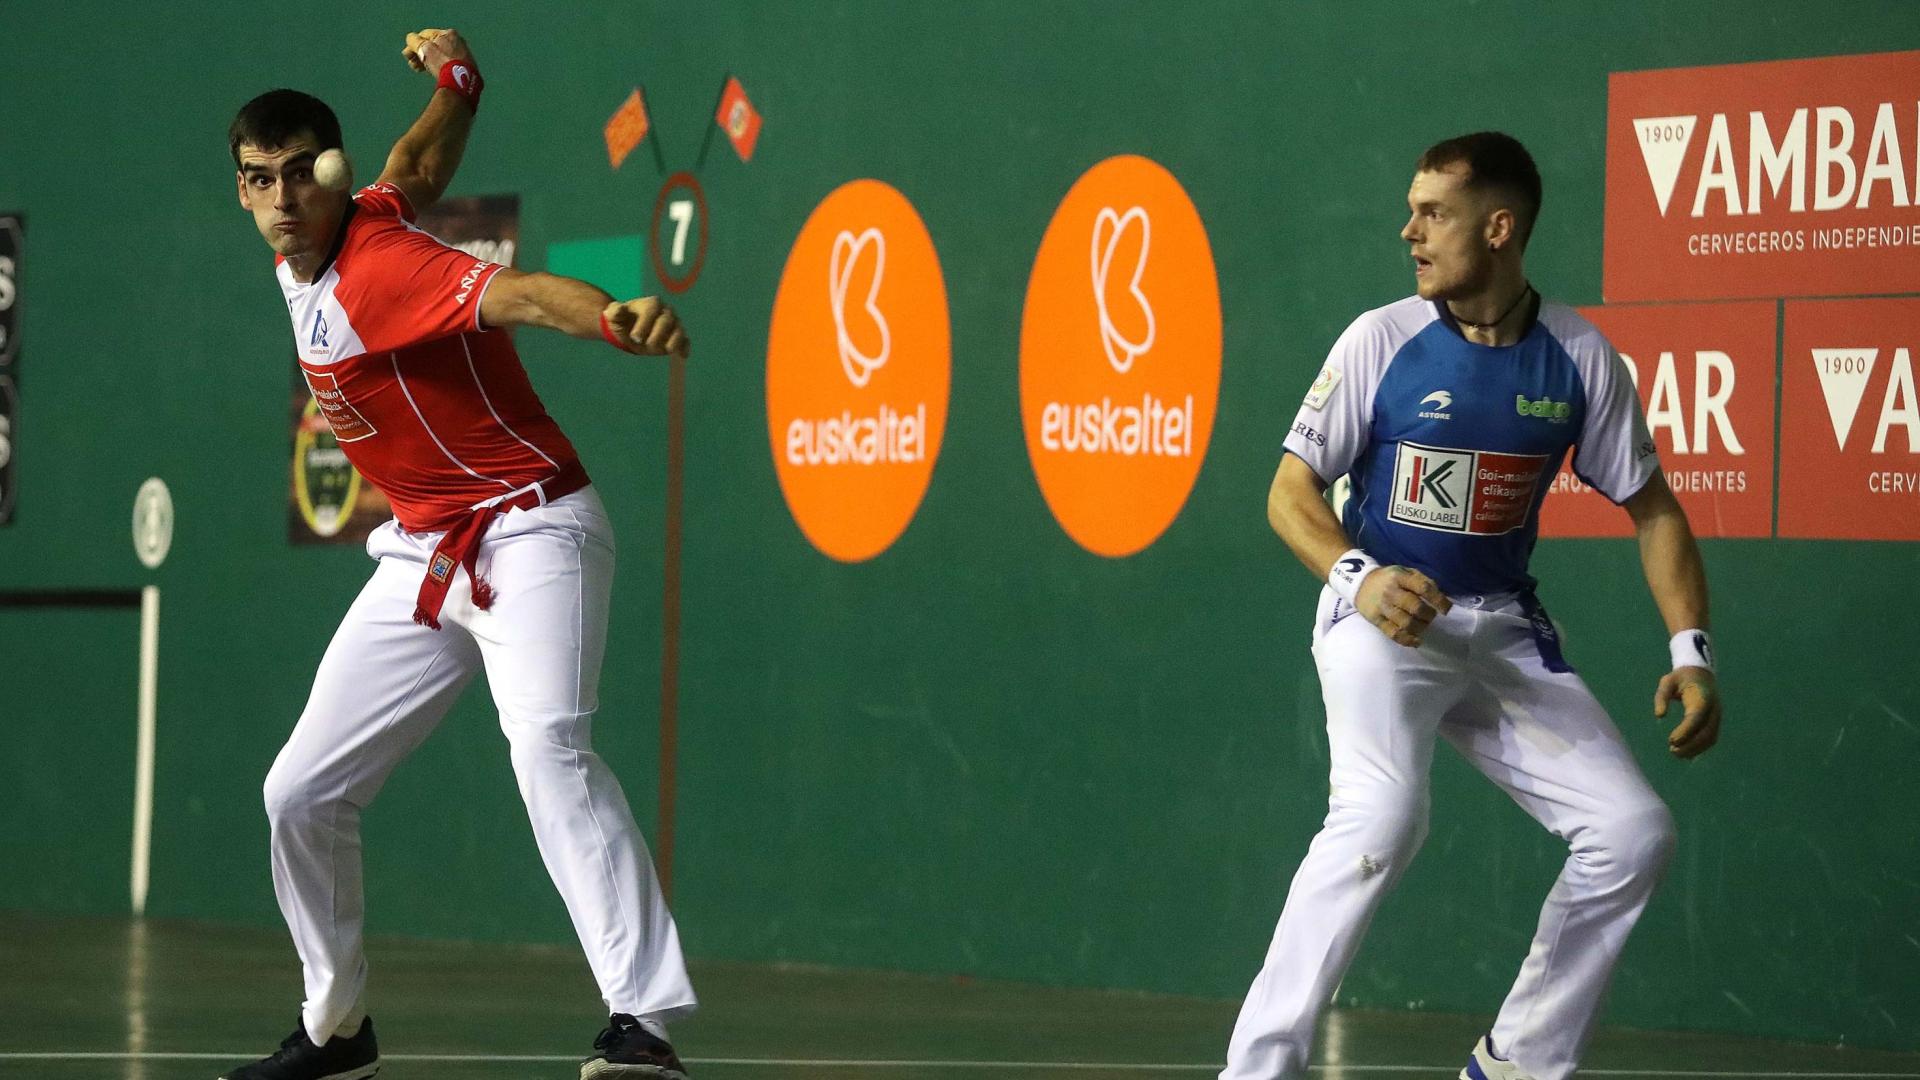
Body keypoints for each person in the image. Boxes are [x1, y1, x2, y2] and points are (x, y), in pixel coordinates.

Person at [221, 27, 695, 1080]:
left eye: (303, 175)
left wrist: (616, 320)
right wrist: (460, 81)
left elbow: (518, 295)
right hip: (428, 552)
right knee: (299, 792)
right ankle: (337, 1025)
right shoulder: (349, 222)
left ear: (326, 176)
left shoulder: (382, 264)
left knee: (549, 755)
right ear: (243, 192)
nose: (286, 198)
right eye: (263, 181)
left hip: (533, 529)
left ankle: (642, 1022)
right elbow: (420, 165)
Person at [1223, 131, 1723, 1080]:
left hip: (1499, 629)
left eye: (1432, 213)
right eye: (1412, 210)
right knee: (1380, 820)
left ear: (1498, 229)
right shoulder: (1381, 339)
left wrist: (1691, 649)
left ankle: (1517, 1064)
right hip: (1378, 624)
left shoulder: (1578, 356)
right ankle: (1256, 1070)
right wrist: (1360, 578)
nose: (1407, 230)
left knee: (1632, 833)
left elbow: (1653, 508)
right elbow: (1289, 495)